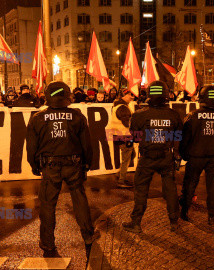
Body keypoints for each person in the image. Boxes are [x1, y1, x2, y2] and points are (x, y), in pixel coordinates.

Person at [26, 81, 100, 257]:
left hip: (49, 166)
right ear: (67, 96)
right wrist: (87, 163)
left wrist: (34, 165)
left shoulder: (37, 118)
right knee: (80, 200)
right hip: (73, 164)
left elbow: (31, 147)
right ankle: (88, 236)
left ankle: (47, 243)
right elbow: (86, 144)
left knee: (47, 205)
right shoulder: (77, 116)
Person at [122, 80, 183, 233]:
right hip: (166, 157)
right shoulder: (174, 114)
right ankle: (174, 221)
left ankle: (136, 223)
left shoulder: (139, 115)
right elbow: (178, 137)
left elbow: (135, 138)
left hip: (147, 158)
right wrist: (177, 155)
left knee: (141, 190)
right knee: (170, 189)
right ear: (166, 95)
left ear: (149, 94)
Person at [179, 85, 214, 225]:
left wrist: (184, 155)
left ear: (201, 99)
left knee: (190, 184)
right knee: (213, 186)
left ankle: (184, 212)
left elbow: (184, 139)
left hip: (195, 157)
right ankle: (213, 216)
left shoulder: (192, 115)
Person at [109, 88, 135, 188]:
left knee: (131, 154)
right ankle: (121, 180)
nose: (132, 97)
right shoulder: (123, 107)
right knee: (126, 158)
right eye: (130, 95)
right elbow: (127, 123)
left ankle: (120, 174)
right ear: (124, 95)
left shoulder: (118, 106)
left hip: (118, 135)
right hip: (125, 136)